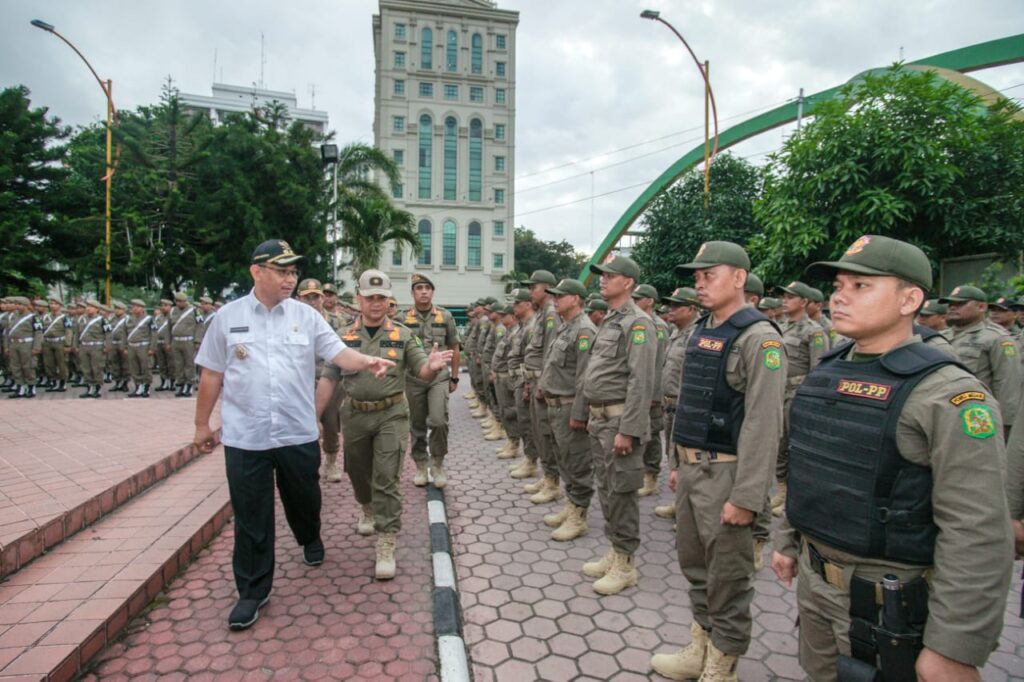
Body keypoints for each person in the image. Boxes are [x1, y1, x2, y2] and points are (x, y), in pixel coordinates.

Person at [771, 234, 1013, 682]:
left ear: (910, 299)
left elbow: (978, 530)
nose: (840, 295)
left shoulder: (947, 395)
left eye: (861, 286)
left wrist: (954, 647)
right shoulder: (830, 370)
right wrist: (789, 541)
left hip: (886, 603)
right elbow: (811, 467)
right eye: (839, 284)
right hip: (816, 580)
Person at [194, 240, 397, 631]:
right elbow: (212, 373)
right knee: (251, 516)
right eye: (282, 271)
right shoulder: (228, 317)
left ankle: (309, 535)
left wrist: (368, 360)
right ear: (257, 272)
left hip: (296, 430)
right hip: (245, 436)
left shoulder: (307, 317)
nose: (290, 279)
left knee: (304, 499)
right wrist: (202, 424)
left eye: (293, 272)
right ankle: (253, 591)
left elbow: (339, 354)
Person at [650, 242, 785, 681]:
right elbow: (690, 403)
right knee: (695, 566)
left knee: (728, 577)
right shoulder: (705, 330)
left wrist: (747, 498)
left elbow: (764, 426)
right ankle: (700, 645)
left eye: (710, 274)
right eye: (697, 276)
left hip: (728, 473)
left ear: (740, 278)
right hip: (693, 469)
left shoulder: (759, 338)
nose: (699, 283)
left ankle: (721, 666)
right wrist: (676, 461)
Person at [315, 269, 452, 580]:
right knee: (358, 473)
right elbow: (328, 378)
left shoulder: (404, 335)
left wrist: (431, 367)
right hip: (354, 415)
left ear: (389, 301)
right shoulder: (344, 338)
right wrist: (314, 416)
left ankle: (386, 539)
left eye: (382, 298)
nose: (376, 303)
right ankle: (366, 507)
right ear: (359, 299)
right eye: (370, 297)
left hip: (392, 414)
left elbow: (421, 369)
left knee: (386, 476)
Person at [580, 255, 657, 596]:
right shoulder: (611, 320)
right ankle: (614, 550)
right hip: (600, 421)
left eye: (610, 275)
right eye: (601, 275)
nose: (602, 280)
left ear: (628, 282)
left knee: (622, 492)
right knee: (606, 487)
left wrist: (629, 429)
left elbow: (641, 381)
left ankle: (626, 564)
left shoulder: (637, 324)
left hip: (618, 421)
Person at [538, 278, 596, 541]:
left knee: (578, 463)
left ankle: (579, 517)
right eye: (554, 295)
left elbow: (585, 377)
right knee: (565, 461)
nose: (555, 299)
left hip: (570, 406)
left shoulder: (584, 330)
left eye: (561, 296)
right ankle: (571, 506)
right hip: (556, 406)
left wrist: (580, 413)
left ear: (576, 299)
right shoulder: (565, 327)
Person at [771, 280, 829, 516]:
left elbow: (819, 370)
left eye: (790, 298)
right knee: (780, 444)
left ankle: (793, 497)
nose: (785, 301)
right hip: (779, 392)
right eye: (784, 297)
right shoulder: (781, 327)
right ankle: (782, 491)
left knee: (796, 446)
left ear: (804, 302)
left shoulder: (814, 332)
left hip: (798, 395)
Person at [403, 273, 461, 487]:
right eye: (419, 288)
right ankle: (420, 464)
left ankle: (437, 464)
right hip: (413, 378)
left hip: (439, 378)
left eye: (427, 287)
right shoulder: (403, 318)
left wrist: (454, 377)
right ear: (413, 293)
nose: (424, 291)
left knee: (438, 421)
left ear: (433, 292)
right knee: (416, 424)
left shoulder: (445, 316)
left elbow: (454, 346)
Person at [940, 284, 1021, 433]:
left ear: (981, 307)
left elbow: (1007, 383)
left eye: (960, 304)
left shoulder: (996, 337)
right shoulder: (942, 337)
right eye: (950, 304)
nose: (952, 307)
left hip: (977, 417)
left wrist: (1005, 425)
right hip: (942, 412)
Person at [653, 287, 700, 522]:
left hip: (686, 407)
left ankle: (689, 513)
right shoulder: (675, 332)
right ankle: (679, 502)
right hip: (669, 404)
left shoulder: (698, 335)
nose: (670, 310)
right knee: (673, 457)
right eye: (669, 305)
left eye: (676, 306)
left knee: (688, 461)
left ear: (692, 308)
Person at [521, 270, 562, 502]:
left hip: (543, 383)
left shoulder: (551, 315)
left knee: (546, 434)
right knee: (539, 431)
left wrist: (542, 384)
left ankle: (553, 482)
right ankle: (548, 477)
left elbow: (550, 353)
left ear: (545, 289)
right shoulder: (541, 314)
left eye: (533, 288)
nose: (530, 292)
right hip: (535, 380)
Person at [631, 284, 669, 498]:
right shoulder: (636, 322)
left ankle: (651, 476)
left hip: (653, 391)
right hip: (639, 390)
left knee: (653, 434)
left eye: (639, 298)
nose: (635, 301)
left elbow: (658, 363)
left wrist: (654, 395)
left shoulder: (658, 326)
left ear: (650, 301)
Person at [507, 289, 541, 478]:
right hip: (520, 380)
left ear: (527, 304)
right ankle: (529, 458)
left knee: (528, 424)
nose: (514, 308)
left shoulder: (532, 326)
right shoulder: (522, 326)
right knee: (523, 420)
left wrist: (527, 384)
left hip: (525, 380)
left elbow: (532, 359)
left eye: (517, 304)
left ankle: (531, 461)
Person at [5, 297, 42, 398]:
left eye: (20, 304)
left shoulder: (34, 317)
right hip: (14, 344)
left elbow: (38, 333)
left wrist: (36, 347)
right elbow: (8, 333)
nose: (17, 307)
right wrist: (7, 346)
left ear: (26, 306)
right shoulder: (13, 317)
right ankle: (20, 387)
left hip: (27, 344)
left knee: (28, 366)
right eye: (16, 304)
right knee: (15, 367)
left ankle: (31, 387)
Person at [75, 299, 111, 398]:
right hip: (84, 346)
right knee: (86, 368)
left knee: (96, 368)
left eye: (91, 307)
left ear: (97, 309)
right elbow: (76, 333)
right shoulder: (81, 319)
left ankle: (97, 388)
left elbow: (108, 334)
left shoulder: (102, 320)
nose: (88, 308)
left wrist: (107, 346)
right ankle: (89, 387)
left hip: (96, 346)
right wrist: (76, 345)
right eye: (87, 306)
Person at [170, 292, 202, 397]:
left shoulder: (194, 311)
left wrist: (197, 340)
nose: (179, 303)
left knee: (189, 363)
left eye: (182, 301)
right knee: (179, 364)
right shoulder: (173, 311)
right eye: (178, 301)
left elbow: (199, 325)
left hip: (188, 340)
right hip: (176, 340)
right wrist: (168, 341)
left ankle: (189, 385)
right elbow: (168, 327)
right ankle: (181, 384)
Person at [41, 296, 73, 393]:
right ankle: (53, 381)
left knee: (61, 363)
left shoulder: (64, 318)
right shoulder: (45, 317)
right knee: (49, 363)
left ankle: (62, 382)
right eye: (51, 304)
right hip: (47, 342)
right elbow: (40, 331)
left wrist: (67, 345)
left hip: (59, 342)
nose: (53, 306)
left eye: (55, 304)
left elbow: (68, 331)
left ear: (60, 306)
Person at [125, 299, 156, 397]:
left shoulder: (149, 319)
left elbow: (154, 334)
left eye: (137, 307)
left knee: (145, 367)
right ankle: (138, 387)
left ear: (142, 308)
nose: (134, 308)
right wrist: (124, 347)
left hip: (144, 346)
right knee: (134, 368)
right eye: (133, 306)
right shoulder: (128, 319)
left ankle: (146, 388)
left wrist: (152, 348)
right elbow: (124, 333)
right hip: (132, 346)